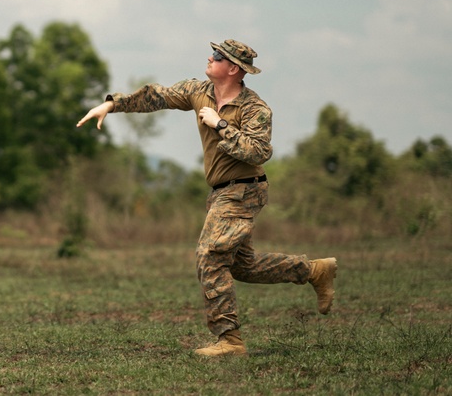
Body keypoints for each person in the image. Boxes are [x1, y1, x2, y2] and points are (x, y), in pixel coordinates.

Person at [76, 39, 337, 357]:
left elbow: (259, 151)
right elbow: (158, 95)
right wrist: (112, 104)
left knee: (210, 256)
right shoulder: (199, 91)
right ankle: (313, 271)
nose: (209, 58)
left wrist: (221, 124)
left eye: (216, 56)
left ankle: (230, 340)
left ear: (233, 69)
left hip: (244, 189)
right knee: (242, 266)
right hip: (220, 193)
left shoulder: (255, 108)